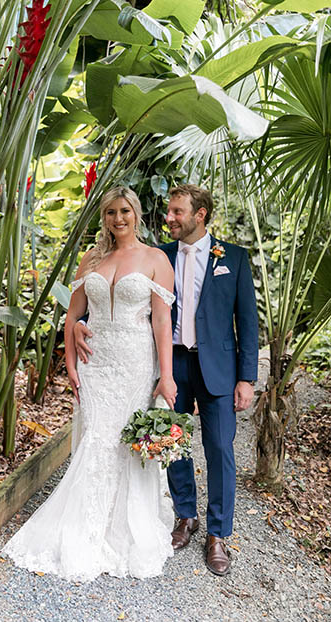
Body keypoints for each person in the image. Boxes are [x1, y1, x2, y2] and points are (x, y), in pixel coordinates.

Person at [75, 184, 259, 577]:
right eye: (169, 212)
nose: (169, 218)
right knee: (170, 444)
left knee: (220, 448)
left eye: (177, 212)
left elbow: (247, 322)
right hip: (169, 364)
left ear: (200, 214)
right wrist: (78, 326)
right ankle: (185, 517)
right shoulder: (162, 255)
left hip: (218, 368)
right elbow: (127, 304)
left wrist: (247, 378)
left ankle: (218, 534)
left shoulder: (235, 260)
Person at [2, 186, 178, 581]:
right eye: (112, 212)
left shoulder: (155, 259)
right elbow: (73, 315)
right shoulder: (92, 258)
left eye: (125, 211)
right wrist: (68, 357)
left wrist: (167, 376)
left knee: (122, 440)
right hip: (95, 362)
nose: (118, 219)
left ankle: (122, 526)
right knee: (96, 435)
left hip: (135, 362)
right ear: (105, 217)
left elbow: (162, 321)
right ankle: (81, 525)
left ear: (136, 213)